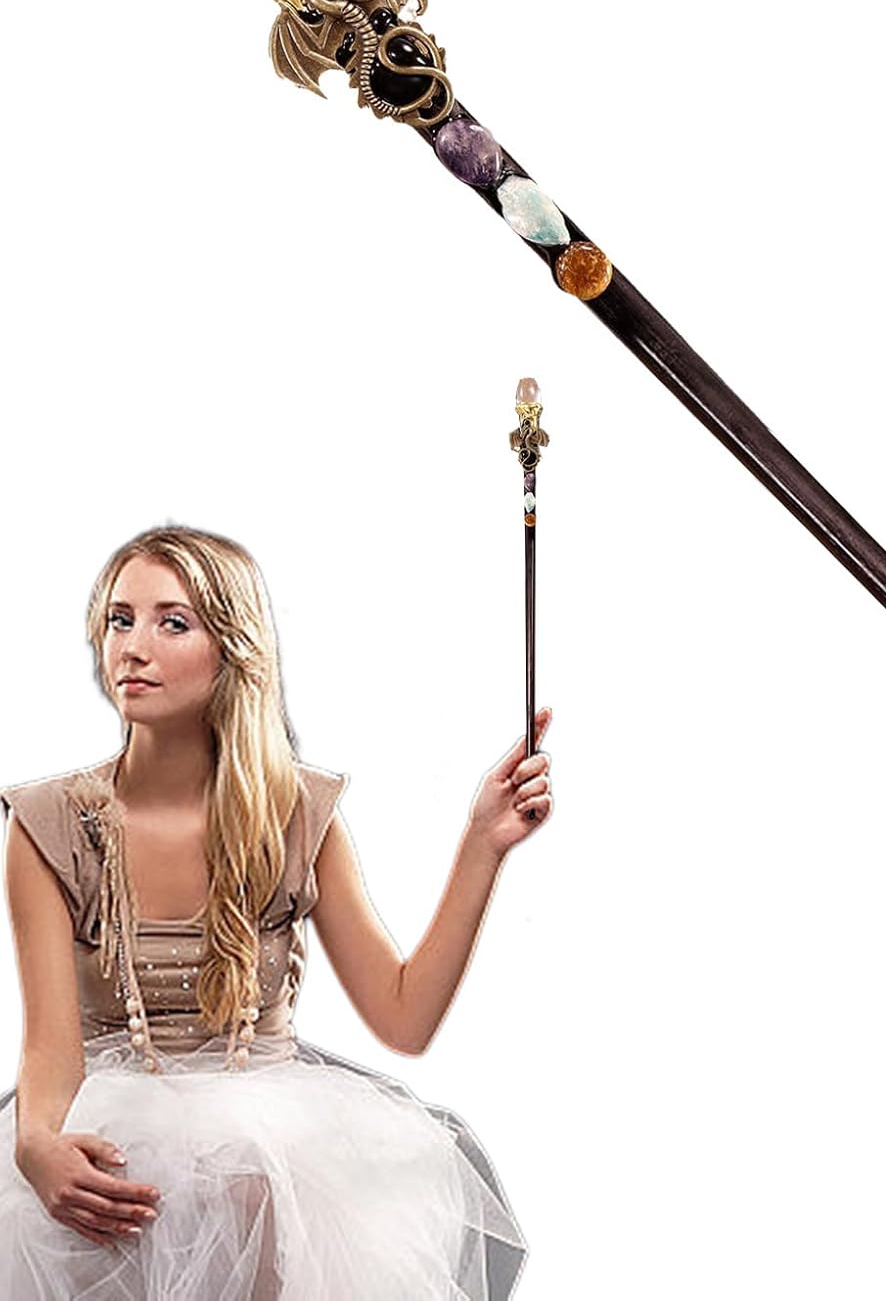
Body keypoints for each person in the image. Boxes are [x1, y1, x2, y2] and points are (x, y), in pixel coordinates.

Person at [0, 525, 551, 1298]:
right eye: (121, 619)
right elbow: (50, 1048)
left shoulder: (295, 815)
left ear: (233, 650)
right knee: (120, 1204)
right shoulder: (50, 825)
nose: (133, 647)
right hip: (114, 1129)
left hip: (270, 1140)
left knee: (247, 1187)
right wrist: (35, 1143)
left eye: (173, 622)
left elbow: (404, 1018)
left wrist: (481, 845)